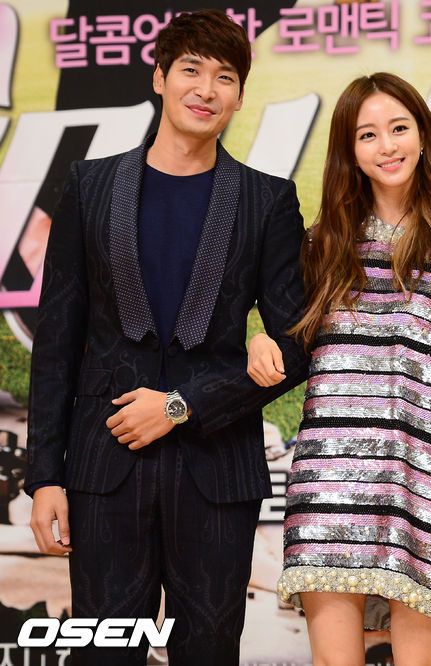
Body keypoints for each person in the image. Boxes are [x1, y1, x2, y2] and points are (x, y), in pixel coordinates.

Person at [24, 10, 308, 666]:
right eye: (191, 70)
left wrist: (182, 405)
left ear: (240, 95)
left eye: (225, 77)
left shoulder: (267, 200)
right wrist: (45, 477)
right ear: (159, 77)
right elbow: (57, 340)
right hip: (104, 468)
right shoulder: (90, 187)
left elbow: (295, 346)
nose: (206, 89)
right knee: (105, 654)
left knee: (208, 652)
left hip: (217, 471)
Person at [247, 72, 431, 666]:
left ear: (423, 136)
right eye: (367, 134)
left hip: (425, 480)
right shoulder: (322, 245)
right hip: (329, 480)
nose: (387, 145)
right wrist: (259, 343)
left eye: (399, 128)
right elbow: (292, 340)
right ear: (350, 151)